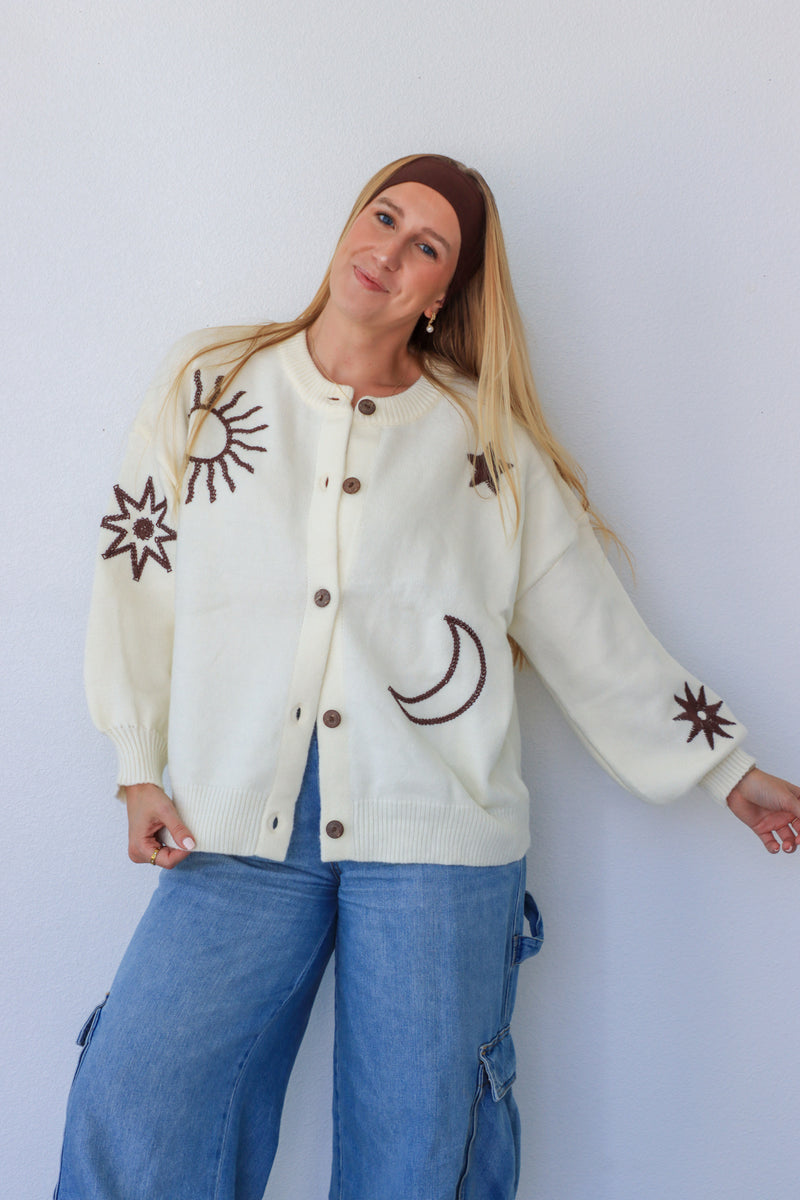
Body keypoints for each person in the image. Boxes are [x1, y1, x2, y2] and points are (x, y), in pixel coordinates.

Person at [55, 154, 799, 1200]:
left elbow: (584, 619)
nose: (387, 251)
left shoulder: (481, 438)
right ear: (347, 222)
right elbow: (138, 569)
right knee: (140, 1101)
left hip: (436, 837)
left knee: (418, 1157)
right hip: (230, 818)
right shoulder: (210, 381)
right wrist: (137, 763)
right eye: (382, 216)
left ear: (442, 292)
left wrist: (723, 768)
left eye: (425, 246)